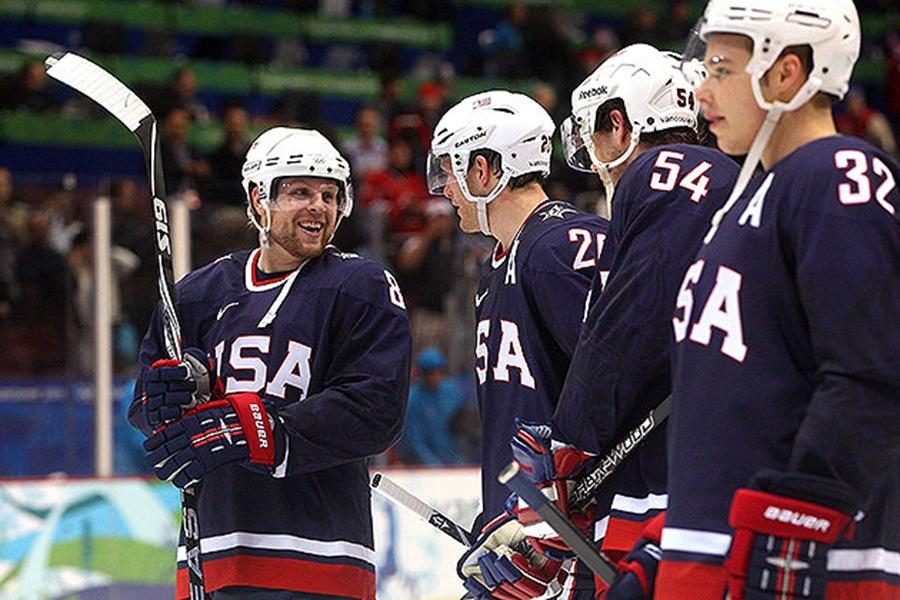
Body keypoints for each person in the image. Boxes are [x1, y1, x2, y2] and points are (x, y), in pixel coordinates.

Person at [655, 1, 900, 598]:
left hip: (808, 564)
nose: (702, 89)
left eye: (720, 69)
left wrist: (794, 521)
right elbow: (731, 410)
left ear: (786, 73)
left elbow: (869, 377)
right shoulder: (746, 200)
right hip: (720, 553)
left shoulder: (838, 175)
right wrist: (662, 547)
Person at [127, 127, 411, 599]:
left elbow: (376, 410)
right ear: (259, 199)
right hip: (213, 553)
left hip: (320, 555)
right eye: (299, 192)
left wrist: (256, 427)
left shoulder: (360, 284)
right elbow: (148, 407)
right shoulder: (200, 293)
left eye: (329, 194)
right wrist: (163, 399)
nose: (318, 206)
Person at [503, 44, 741, 598]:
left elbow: (638, 317)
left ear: (620, 121)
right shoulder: (710, 178)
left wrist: (570, 442)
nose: (597, 160)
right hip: (682, 455)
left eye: (595, 137)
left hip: (678, 474)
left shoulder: (662, 170)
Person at [425, 90, 610, 597]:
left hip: (574, 541)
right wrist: (500, 518)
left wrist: (552, 521)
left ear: (484, 170)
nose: (445, 190)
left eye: (450, 172)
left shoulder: (558, 246)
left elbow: (618, 391)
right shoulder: (498, 264)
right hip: (524, 535)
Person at [397, 347, 467, 465]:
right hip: (421, 462)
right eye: (430, 373)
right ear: (422, 374)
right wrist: (432, 464)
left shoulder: (451, 391)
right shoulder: (413, 400)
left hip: (452, 456)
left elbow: (461, 426)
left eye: (439, 371)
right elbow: (414, 440)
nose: (435, 376)